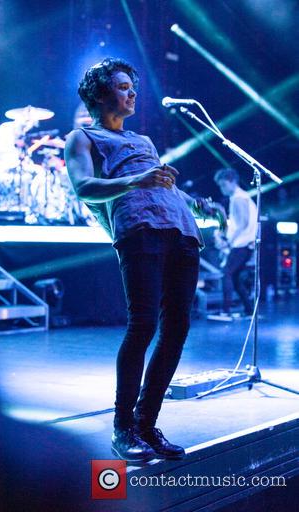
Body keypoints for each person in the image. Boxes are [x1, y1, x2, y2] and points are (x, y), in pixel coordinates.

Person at [65, 57, 224, 463]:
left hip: (183, 232)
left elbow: (166, 188)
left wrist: (200, 205)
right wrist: (135, 180)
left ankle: (147, 423)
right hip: (139, 230)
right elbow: (84, 187)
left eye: (132, 87)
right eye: (121, 86)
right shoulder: (81, 137)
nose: (131, 92)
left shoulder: (145, 141)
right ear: (100, 95)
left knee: (177, 329)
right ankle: (123, 427)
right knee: (143, 325)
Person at [214, 167, 257, 318]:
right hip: (245, 244)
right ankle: (249, 310)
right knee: (235, 277)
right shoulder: (242, 197)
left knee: (227, 273)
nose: (222, 189)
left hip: (241, 244)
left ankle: (225, 311)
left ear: (232, 182)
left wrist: (228, 241)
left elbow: (243, 223)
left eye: (223, 185)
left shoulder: (239, 198)